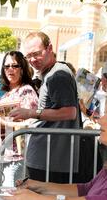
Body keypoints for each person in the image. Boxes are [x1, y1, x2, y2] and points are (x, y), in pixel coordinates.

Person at [12, 31, 80, 183]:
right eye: (28, 56)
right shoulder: (52, 73)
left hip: (50, 161)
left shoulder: (58, 75)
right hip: (46, 158)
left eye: (36, 54)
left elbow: (69, 112)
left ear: (49, 48)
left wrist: (30, 112)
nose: (32, 60)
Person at [0, 51, 38, 186]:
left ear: (22, 69)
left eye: (15, 66)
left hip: (16, 156)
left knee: (11, 197)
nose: (10, 69)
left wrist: (3, 122)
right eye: (6, 66)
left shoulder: (26, 91)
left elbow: (32, 123)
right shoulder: (8, 93)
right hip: (3, 155)